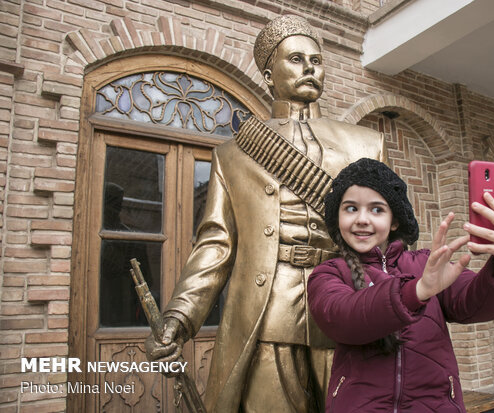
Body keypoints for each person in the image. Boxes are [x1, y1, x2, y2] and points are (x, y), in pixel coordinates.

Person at [145, 15, 387, 413]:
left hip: (348, 306)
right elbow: (216, 245)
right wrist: (179, 316)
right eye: (296, 58)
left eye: (317, 60)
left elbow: (390, 241)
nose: (310, 67)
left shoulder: (367, 144)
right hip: (269, 312)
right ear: (268, 73)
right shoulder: (233, 155)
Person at [307, 158, 494, 412]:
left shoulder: (427, 264)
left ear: (395, 221)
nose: (362, 219)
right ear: (337, 217)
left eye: (376, 209)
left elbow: (475, 303)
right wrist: (417, 291)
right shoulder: (328, 273)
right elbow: (344, 318)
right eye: (351, 208)